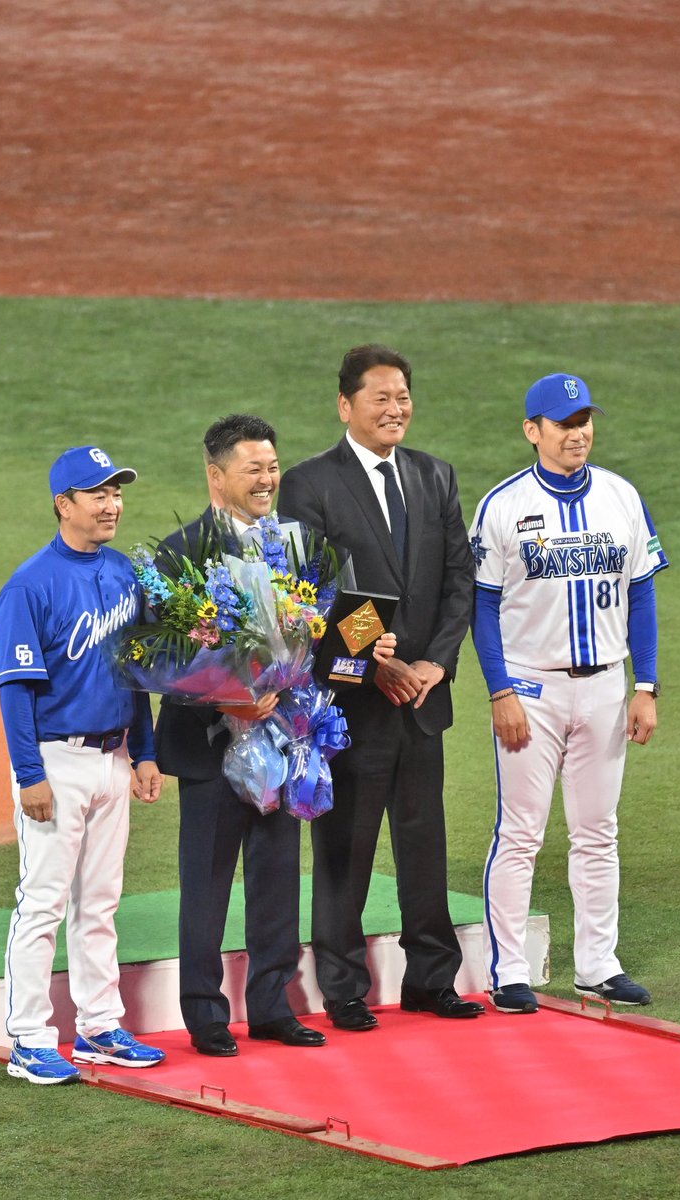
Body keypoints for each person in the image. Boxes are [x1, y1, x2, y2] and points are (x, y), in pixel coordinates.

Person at [278, 344, 483, 1031]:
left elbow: (459, 579)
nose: (394, 409)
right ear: (345, 405)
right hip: (353, 704)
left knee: (424, 846)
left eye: (401, 397)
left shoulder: (435, 476)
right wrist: (378, 661)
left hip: (422, 699)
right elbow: (310, 589)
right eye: (379, 399)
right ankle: (342, 989)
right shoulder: (310, 483)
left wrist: (434, 665)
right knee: (346, 848)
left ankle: (432, 978)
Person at [469, 373, 668, 1015]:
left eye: (584, 419)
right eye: (563, 422)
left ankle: (598, 966)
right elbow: (483, 604)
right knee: (521, 832)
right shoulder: (502, 505)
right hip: (532, 688)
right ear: (533, 431)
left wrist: (646, 684)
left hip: (609, 686)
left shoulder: (621, 496)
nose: (578, 432)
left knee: (597, 831)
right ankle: (510, 972)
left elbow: (642, 590)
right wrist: (500, 690)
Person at [155, 414, 352, 1056]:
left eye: (272, 466)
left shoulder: (296, 543)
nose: (268, 479)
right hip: (213, 749)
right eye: (254, 468)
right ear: (217, 476)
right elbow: (162, 655)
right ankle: (206, 1014)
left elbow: (335, 612)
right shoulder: (179, 552)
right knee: (207, 885)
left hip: (285, 741)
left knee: (276, 877)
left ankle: (271, 1006)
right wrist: (233, 700)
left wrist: (374, 643)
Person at [0, 445, 165, 1084]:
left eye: (117, 492)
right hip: (54, 762)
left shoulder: (126, 573)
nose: (112, 503)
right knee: (41, 902)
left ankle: (99, 1027)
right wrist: (28, 773)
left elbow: (141, 672)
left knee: (99, 902)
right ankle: (30, 1038)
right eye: (98, 493)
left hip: (114, 757)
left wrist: (145, 753)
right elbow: (14, 688)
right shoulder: (29, 584)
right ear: (64, 504)